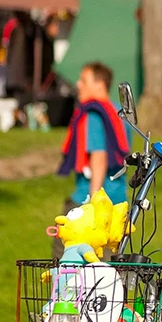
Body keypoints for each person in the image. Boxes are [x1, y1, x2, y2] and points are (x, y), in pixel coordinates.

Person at [52, 62, 130, 260]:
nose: (78, 85)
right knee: (110, 271)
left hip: (89, 202)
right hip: (118, 204)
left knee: (66, 262)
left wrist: (94, 205)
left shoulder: (94, 114)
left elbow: (99, 158)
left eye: (84, 80)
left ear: (100, 84)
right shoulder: (119, 113)